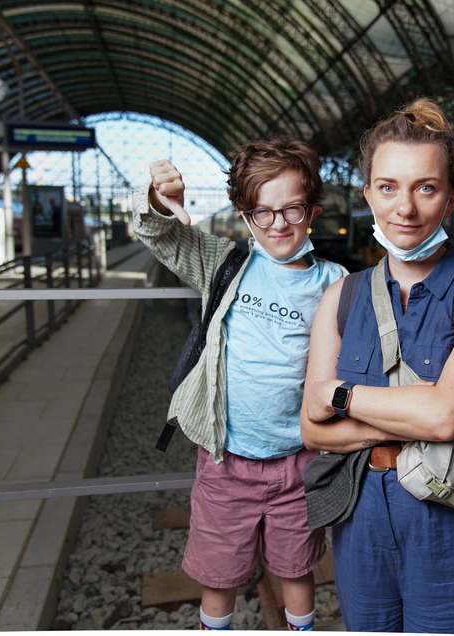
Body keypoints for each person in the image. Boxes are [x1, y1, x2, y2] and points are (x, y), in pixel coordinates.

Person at [300, 97, 454, 634]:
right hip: (361, 517)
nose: (406, 208)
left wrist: (341, 397)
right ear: (369, 193)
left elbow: (443, 419)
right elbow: (309, 427)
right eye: (388, 187)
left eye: (426, 187)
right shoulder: (342, 297)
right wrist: (414, 411)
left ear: (451, 199)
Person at [131, 139, 347, 631]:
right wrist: (158, 199)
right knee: (219, 574)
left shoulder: (333, 281)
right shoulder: (225, 264)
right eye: (263, 211)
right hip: (226, 461)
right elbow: (161, 237)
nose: (278, 224)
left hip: (299, 462)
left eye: (292, 209)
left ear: (311, 210)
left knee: (298, 568)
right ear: (245, 214)